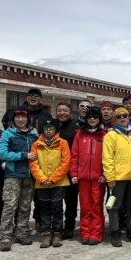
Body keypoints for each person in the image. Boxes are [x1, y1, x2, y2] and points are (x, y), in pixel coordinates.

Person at [0, 106, 39, 250]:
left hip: (29, 175)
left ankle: (21, 232)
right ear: (13, 119)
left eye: (23, 117)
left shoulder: (34, 134)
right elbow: (3, 153)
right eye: (18, 117)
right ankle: (6, 236)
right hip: (13, 174)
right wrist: (24, 155)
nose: (21, 120)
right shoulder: (7, 134)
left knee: (25, 205)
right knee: (10, 205)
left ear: (28, 119)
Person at [30, 119, 71, 248]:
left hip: (58, 182)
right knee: (44, 208)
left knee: (57, 208)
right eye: (46, 127)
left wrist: (53, 179)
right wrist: (42, 179)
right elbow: (33, 164)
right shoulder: (36, 144)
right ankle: (47, 234)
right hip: (42, 183)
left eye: (51, 127)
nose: (48, 130)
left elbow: (65, 163)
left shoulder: (63, 143)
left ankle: (57, 233)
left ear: (56, 129)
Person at [103, 107, 131, 247]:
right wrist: (110, 177)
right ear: (115, 119)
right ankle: (115, 231)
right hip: (118, 178)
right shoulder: (111, 135)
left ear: (129, 117)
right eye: (119, 116)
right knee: (115, 206)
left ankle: (130, 230)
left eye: (124, 115)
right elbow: (107, 158)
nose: (122, 118)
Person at [70, 106, 107, 245]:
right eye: (90, 117)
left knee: (96, 206)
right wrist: (74, 173)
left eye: (95, 117)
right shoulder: (80, 134)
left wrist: (105, 174)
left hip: (98, 178)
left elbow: (108, 156)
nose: (92, 119)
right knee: (85, 206)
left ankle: (96, 234)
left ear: (99, 119)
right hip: (83, 177)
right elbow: (74, 155)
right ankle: (85, 233)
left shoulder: (105, 135)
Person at [55, 102, 79, 238]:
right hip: (53, 168)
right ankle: (55, 227)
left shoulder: (76, 127)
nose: (62, 113)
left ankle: (69, 226)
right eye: (59, 110)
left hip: (70, 170)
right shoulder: (52, 125)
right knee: (55, 200)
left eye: (65, 111)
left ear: (70, 113)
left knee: (70, 200)